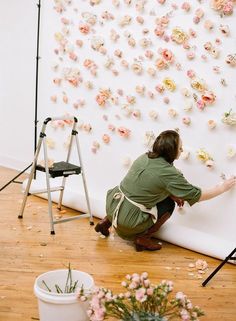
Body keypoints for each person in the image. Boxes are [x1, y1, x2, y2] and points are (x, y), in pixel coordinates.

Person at [95, 130, 236, 251]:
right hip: (128, 221)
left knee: (145, 196)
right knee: (169, 204)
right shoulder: (169, 173)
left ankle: (106, 222)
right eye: (180, 148)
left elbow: (149, 185)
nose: (181, 151)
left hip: (112, 205)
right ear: (171, 150)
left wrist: (172, 193)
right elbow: (197, 195)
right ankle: (143, 238)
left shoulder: (144, 157)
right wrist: (223, 187)